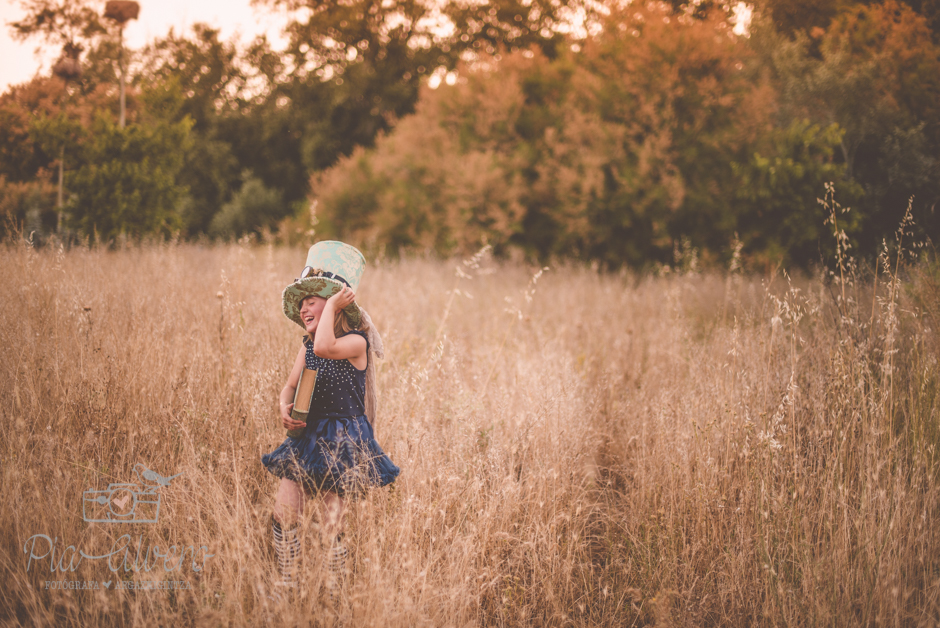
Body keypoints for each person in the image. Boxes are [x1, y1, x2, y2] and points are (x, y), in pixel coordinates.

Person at [261, 241, 400, 596]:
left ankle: (334, 589)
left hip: (341, 437)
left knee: (330, 520)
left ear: (336, 305)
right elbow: (290, 386)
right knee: (284, 511)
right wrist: (283, 405)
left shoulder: (356, 342)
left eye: (313, 301)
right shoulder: (306, 346)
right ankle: (286, 582)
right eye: (302, 303)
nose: (305, 308)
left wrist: (336, 302)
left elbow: (325, 347)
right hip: (306, 435)